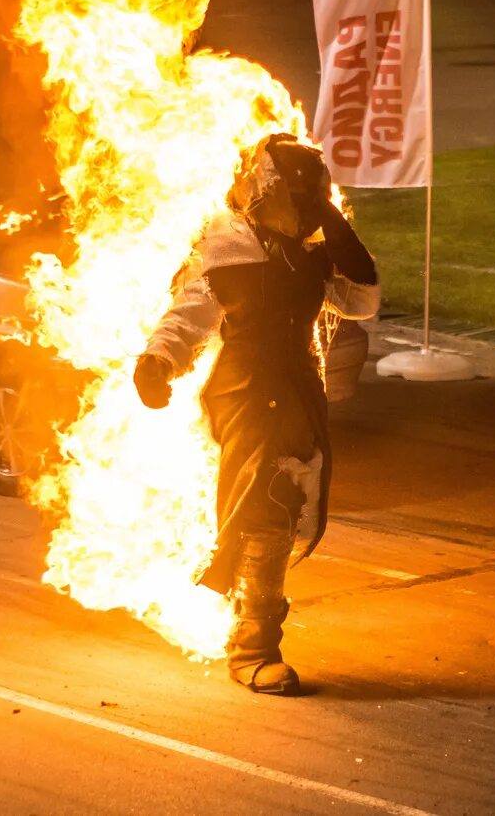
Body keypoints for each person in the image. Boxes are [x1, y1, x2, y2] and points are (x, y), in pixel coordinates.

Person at [133, 133, 380, 695]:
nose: (300, 208)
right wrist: (157, 362)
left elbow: (362, 298)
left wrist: (331, 220)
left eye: (310, 198)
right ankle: (253, 650)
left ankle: (248, 624)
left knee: (290, 506)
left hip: (296, 391)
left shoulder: (313, 254)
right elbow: (188, 317)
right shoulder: (225, 250)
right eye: (297, 197)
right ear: (264, 193)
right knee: (267, 505)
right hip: (243, 393)